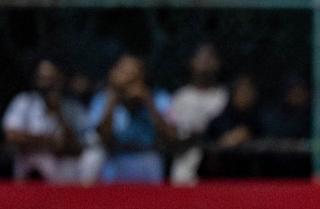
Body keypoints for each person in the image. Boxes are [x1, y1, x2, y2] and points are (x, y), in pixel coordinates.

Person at [84, 55, 176, 183]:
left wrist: (148, 102)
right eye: (123, 72)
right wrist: (113, 100)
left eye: (133, 73)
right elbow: (101, 136)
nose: (128, 78)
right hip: (116, 159)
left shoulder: (159, 97)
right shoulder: (103, 99)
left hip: (147, 158)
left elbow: (172, 137)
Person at [2, 58, 85, 182]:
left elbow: (77, 148)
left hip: (60, 165)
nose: (47, 84)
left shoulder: (72, 107)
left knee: (73, 163)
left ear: (61, 79)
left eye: (52, 79)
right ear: (36, 80)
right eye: (43, 78)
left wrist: (59, 114)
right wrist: (48, 141)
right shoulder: (24, 101)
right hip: (29, 161)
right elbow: (11, 135)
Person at [168, 43, 229, 184]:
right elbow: (171, 130)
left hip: (215, 170)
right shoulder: (180, 97)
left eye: (210, 60)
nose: (206, 65)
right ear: (192, 63)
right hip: (183, 168)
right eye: (202, 59)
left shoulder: (224, 97)